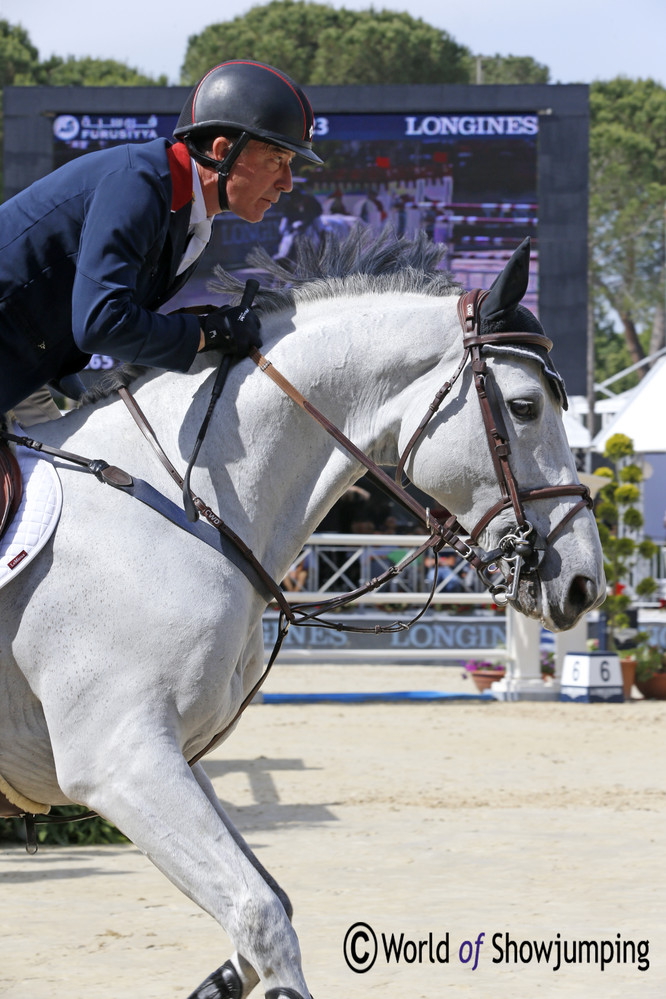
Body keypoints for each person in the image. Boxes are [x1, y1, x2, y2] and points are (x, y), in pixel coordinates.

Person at [0, 60, 323, 425]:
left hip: (25, 372)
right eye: (276, 159)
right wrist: (211, 332)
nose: (288, 182)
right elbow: (101, 322)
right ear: (222, 151)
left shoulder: (191, 218)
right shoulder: (138, 185)